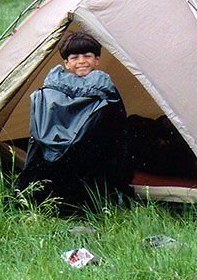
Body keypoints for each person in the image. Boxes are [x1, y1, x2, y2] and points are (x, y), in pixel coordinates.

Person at [17, 31, 131, 210]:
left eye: (87, 56)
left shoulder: (102, 87)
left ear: (97, 60)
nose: (82, 61)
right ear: (66, 63)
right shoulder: (52, 91)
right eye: (75, 57)